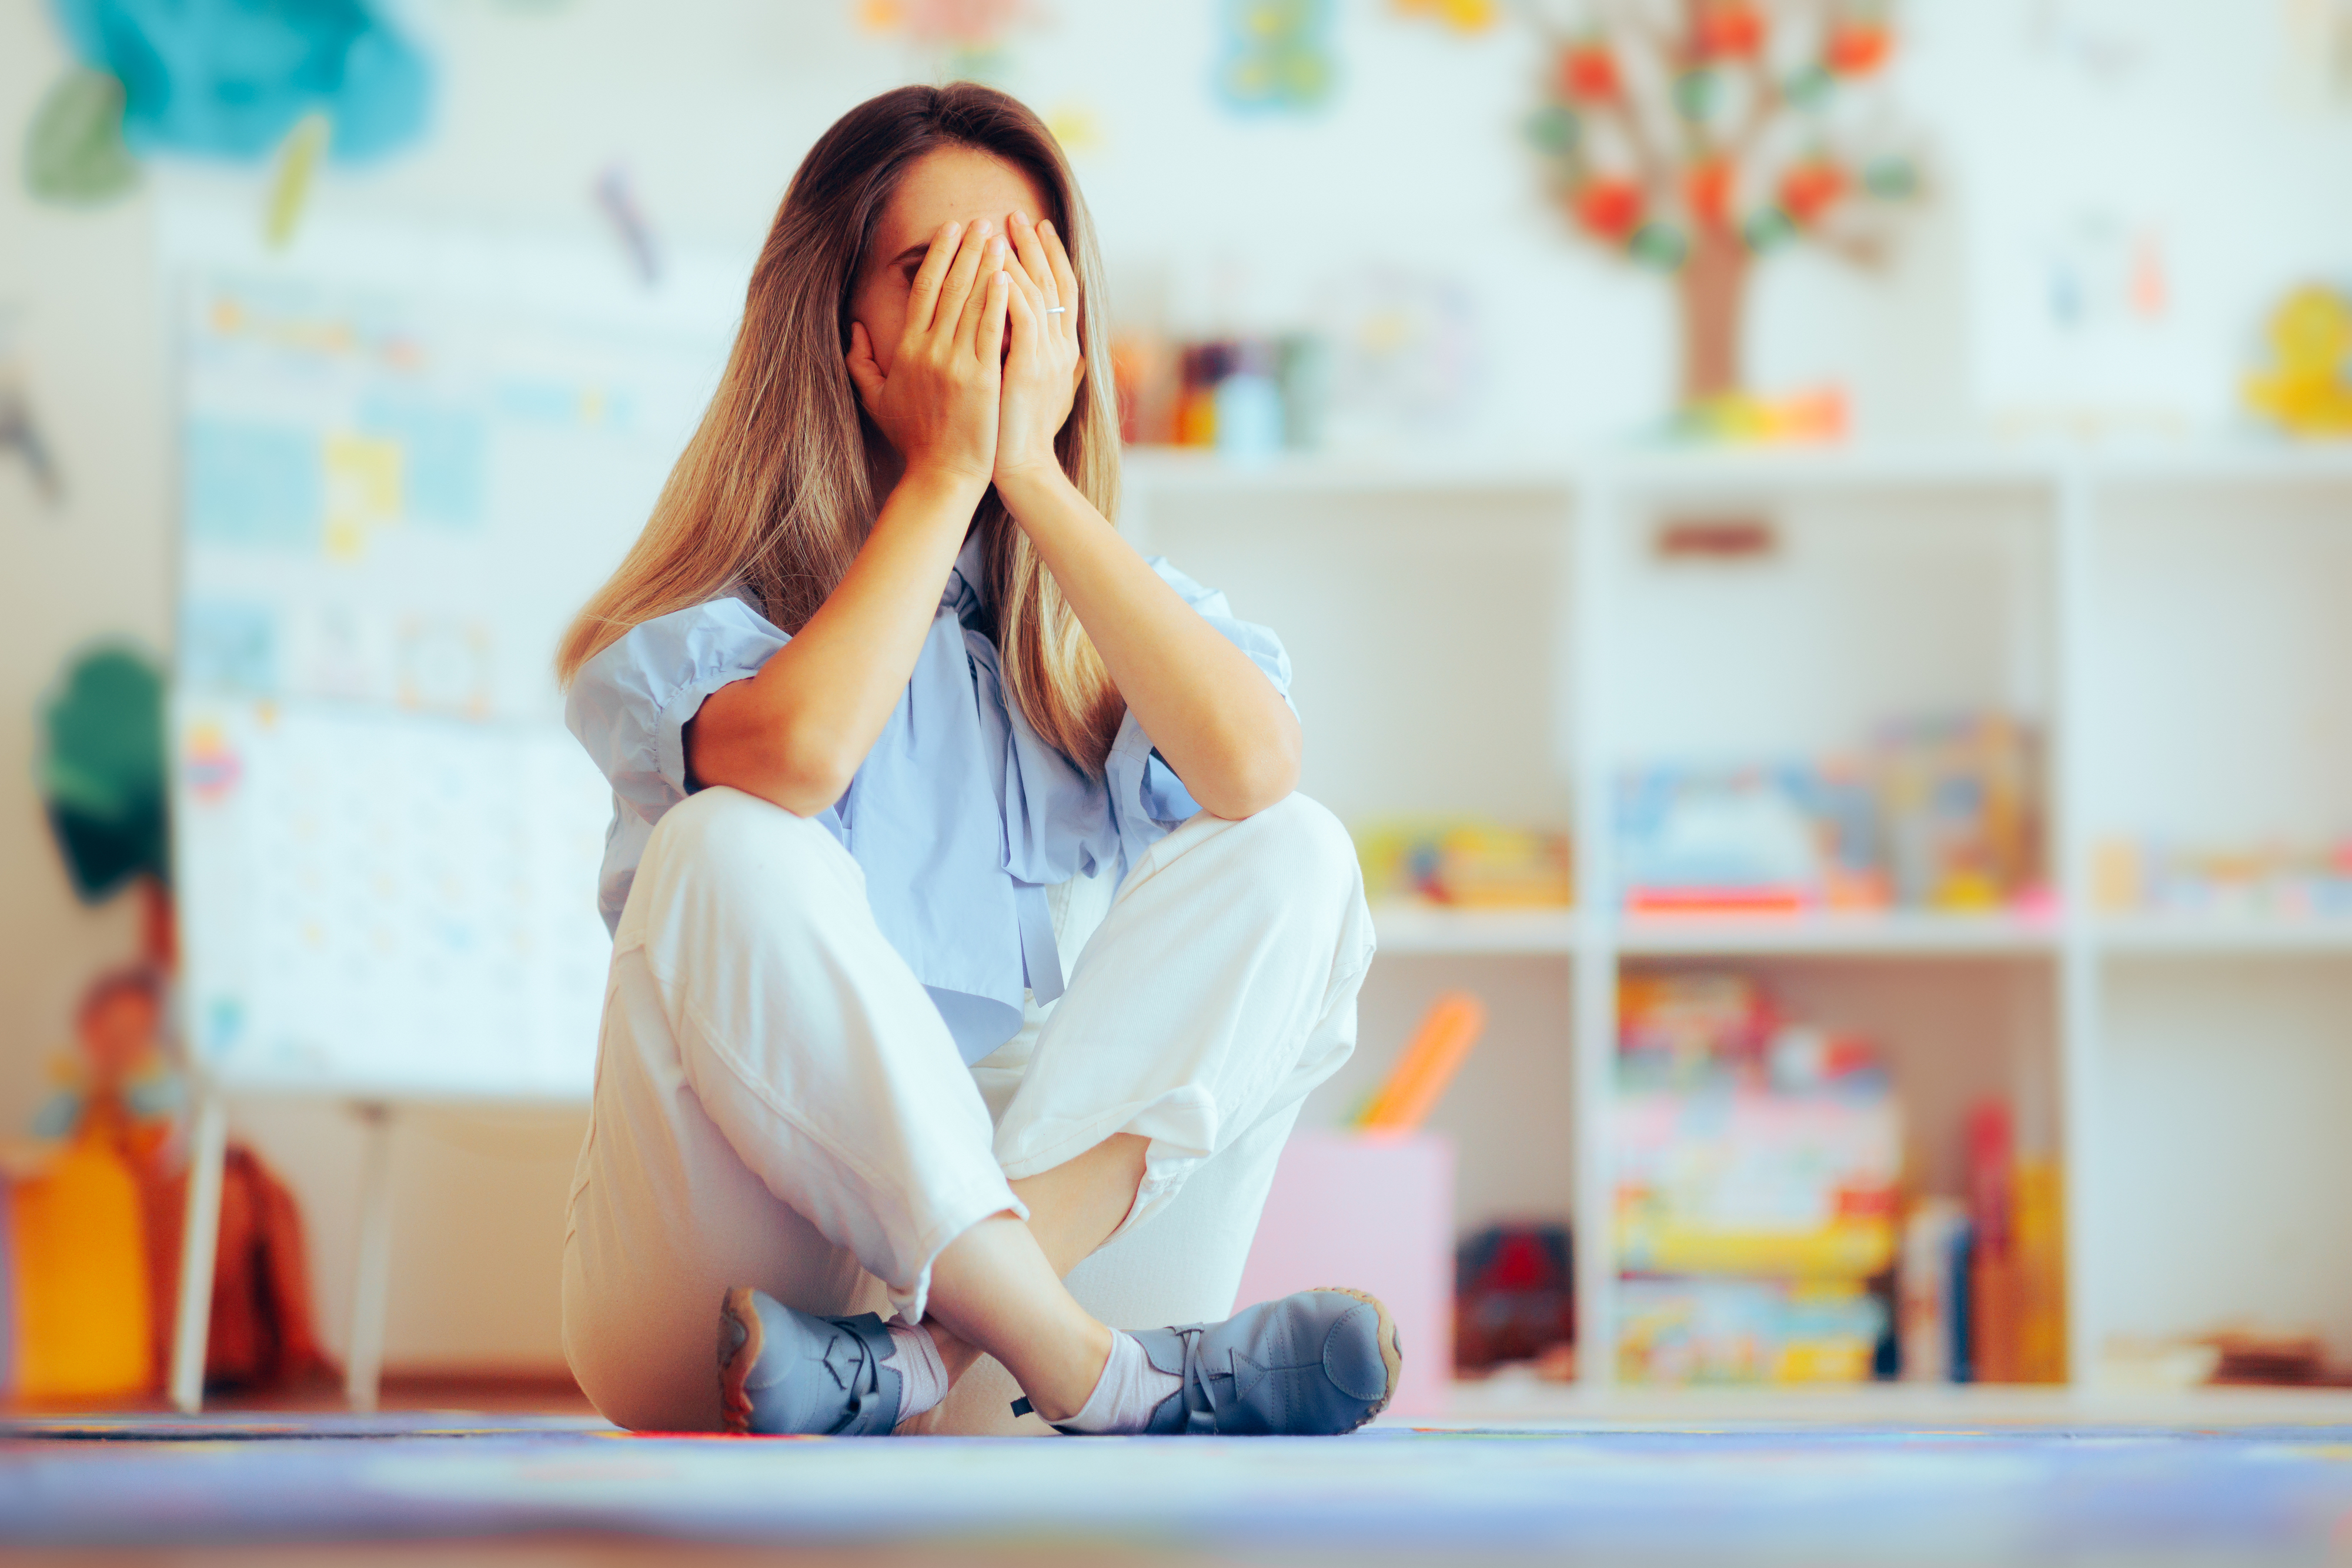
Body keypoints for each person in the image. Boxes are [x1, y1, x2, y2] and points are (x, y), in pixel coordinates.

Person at [554, 82, 1391, 1439]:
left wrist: (1035, 484)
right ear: (845, 327)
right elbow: (801, 756)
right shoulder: (696, 624)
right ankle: (1101, 1377)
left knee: (1298, 847)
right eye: (936, 268)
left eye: (1025, 264)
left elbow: (1253, 768)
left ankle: (936, 1352)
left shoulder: (1086, 608)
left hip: (1024, 1269)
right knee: (728, 837)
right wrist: (944, 476)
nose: (989, 304)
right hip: (732, 1303)